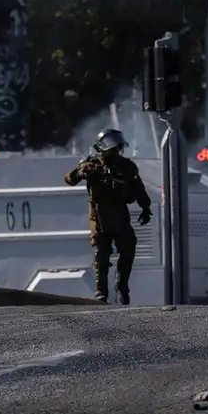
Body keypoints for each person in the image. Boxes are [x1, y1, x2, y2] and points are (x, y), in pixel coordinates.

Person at [64, 129, 152, 304]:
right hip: (98, 217)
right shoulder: (91, 164)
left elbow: (138, 188)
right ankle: (101, 291)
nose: (117, 152)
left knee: (128, 248)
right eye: (113, 148)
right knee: (101, 254)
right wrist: (82, 171)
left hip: (120, 215)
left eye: (118, 148)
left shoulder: (127, 166)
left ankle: (122, 285)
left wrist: (145, 207)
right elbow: (69, 179)